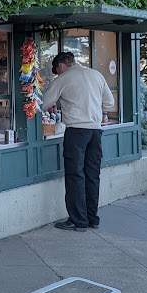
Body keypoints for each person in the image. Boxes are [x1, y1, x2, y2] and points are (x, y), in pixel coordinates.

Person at [41, 51, 114, 232]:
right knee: (92, 175)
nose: (57, 73)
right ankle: (92, 218)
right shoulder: (96, 74)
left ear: (60, 66)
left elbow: (43, 103)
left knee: (75, 175)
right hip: (96, 131)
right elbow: (109, 103)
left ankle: (78, 220)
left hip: (76, 131)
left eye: (56, 70)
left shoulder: (63, 79)